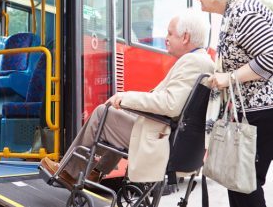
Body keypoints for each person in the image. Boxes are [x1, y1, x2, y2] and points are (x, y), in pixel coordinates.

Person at [41, 9, 214, 188]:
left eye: (170, 33)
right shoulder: (203, 61)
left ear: (185, 37)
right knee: (119, 114)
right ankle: (95, 172)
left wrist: (126, 97)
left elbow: (170, 105)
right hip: (173, 138)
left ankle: (69, 172)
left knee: (103, 113)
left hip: (163, 141)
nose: (166, 38)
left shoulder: (192, 62)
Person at [196, 0, 273, 206]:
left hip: (261, 111)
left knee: (244, 184)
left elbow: (270, 56)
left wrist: (230, 78)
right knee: (239, 183)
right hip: (253, 112)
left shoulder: (244, 12)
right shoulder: (233, 12)